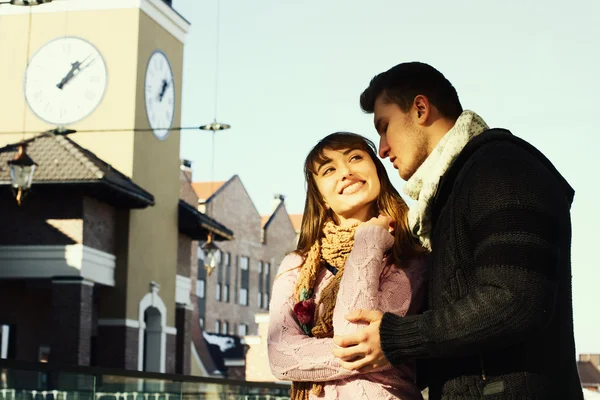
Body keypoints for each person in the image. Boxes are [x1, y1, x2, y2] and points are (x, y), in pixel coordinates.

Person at [331, 62, 583, 399]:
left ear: (420, 109)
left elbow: (516, 300)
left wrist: (397, 338)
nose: (382, 148)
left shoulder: (502, 167)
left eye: (385, 126)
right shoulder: (447, 198)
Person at [268, 132, 427, 400]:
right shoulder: (298, 265)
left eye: (355, 157)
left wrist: (369, 242)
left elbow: (354, 332)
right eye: (329, 169)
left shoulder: (410, 258)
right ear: (320, 198)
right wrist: (359, 353)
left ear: (377, 172)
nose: (346, 172)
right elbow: (279, 355)